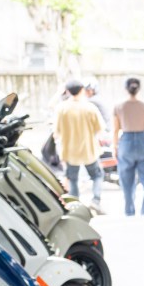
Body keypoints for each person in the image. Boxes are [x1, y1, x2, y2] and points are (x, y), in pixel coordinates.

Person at [53, 79, 104, 210]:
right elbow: (100, 129)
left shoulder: (61, 109)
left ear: (68, 91)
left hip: (70, 152)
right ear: (82, 90)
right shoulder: (90, 107)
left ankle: (76, 206)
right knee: (97, 175)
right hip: (89, 150)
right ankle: (96, 200)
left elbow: (56, 132)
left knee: (73, 179)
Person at [112, 77, 144, 216]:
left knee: (126, 182)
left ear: (126, 89)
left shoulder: (119, 107)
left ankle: (129, 212)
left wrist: (115, 147)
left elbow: (115, 130)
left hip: (126, 143)